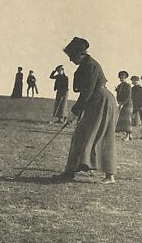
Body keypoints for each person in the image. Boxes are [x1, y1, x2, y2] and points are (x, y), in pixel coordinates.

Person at [55, 37, 117, 184]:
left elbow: (87, 92)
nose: (70, 60)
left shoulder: (90, 65)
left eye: (72, 56)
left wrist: (74, 112)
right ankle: (69, 172)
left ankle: (110, 176)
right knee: (80, 134)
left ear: (80, 53)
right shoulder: (84, 65)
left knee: (103, 135)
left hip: (103, 101)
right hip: (95, 101)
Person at [115, 70, 133, 141]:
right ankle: (129, 135)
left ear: (125, 78)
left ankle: (127, 136)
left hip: (128, 104)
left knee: (127, 120)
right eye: (120, 77)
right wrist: (119, 102)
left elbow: (128, 96)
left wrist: (122, 104)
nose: (121, 78)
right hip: (122, 104)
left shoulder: (127, 85)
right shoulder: (119, 86)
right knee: (123, 120)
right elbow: (118, 97)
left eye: (123, 77)